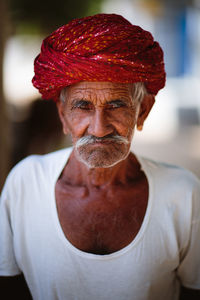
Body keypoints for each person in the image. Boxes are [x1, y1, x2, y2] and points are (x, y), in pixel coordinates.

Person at [0, 13, 199, 300]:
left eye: (117, 105)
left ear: (142, 111)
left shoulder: (183, 193)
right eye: (82, 106)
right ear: (63, 115)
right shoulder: (24, 185)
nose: (99, 128)